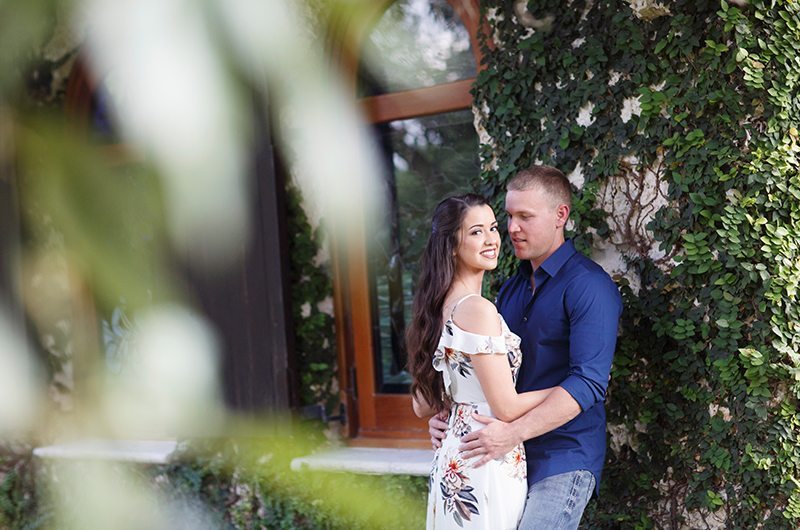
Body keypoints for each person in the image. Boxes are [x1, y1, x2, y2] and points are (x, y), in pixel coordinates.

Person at [428, 165, 622, 529]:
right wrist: (445, 414)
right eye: (510, 216)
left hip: (562, 455)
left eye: (525, 217)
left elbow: (590, 384)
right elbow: (481, 369)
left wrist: (512, 432)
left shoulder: (589, 287)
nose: (512, 228)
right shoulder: (510, 290)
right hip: (502, 453)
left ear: (560, 215)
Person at [408, 193, 557, 529]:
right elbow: (505, 407)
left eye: (492, 227)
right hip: (485, 457)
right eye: (476, 232)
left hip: (458, 455)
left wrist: (455, 409)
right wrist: (567, 389)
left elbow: (422, 406)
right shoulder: (477, 309)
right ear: (451, 246)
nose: (491, 239)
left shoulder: (438, 307)